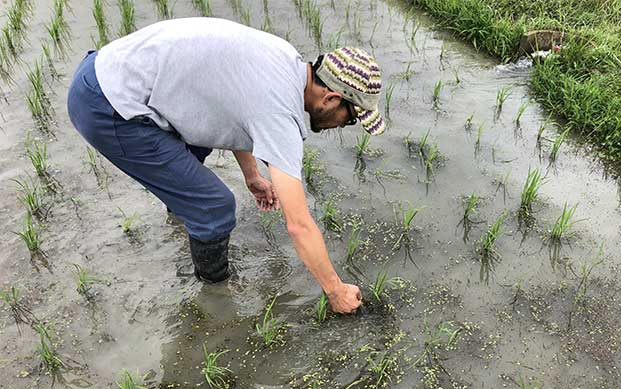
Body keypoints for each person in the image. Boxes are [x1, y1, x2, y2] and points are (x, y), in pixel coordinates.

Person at [66, 17, 386, 314]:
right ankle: (213, 296)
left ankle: (184, 220)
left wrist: (252, 175)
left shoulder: (285, 61)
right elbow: (298, 224)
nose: (346, 125)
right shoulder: (280, 113)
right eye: (352, 117)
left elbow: (231, 111)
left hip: (106, 69)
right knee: (214, 207)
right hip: (107, 103)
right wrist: (335, 290)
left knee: (199, 150)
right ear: (330, 98)